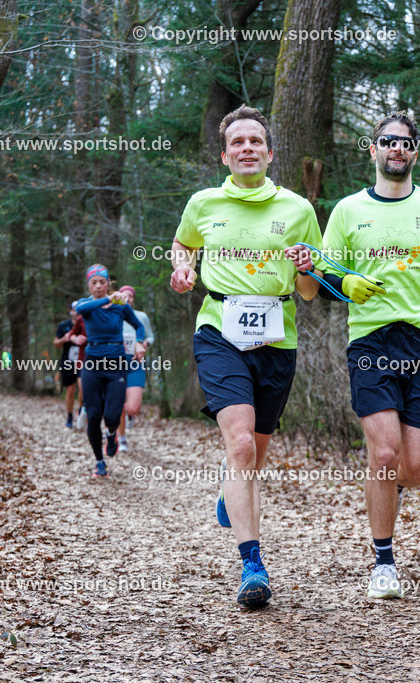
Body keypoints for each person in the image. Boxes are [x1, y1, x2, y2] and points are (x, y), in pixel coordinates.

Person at [169, 105, 323, 608]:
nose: (247, 149)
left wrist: (307, 267)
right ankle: (251, 564)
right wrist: (184, 270)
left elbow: (308, 292)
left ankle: (229, 493)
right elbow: (181, 244)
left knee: (253, 455)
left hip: (277, 339)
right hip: (219, 331)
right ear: (225, 155)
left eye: (255, 141)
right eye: (238, 143)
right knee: (239, 446)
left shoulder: (298, 209)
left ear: (270, 153)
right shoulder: (204, 203)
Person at [320, 111, 420, 599]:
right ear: (372, 150)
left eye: (406, 143)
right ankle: (383, 563)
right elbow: (324, 276)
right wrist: (345, 281)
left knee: (415, 468)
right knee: (384, 452)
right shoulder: (348, 211)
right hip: (371, 340)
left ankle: (384, 491)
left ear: (415, 152)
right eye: (387, 141)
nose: (397, 149)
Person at [74, 264, 145, 478]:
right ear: (89, 285)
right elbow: (80, 310)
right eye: (93, 282)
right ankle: (99, 462)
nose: (98, 286)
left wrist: (139, 342)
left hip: (116, 364)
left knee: (113, 416)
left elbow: (138, 325)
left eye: (102, 282)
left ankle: (112, 433)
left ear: (108, 283)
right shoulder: (86, 304)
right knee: (94, 415)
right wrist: (109, 299)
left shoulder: (121, 307)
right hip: (93, 364)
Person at [115, 285, 155, 452]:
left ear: (133, 299)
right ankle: (121, 439)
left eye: (130, 296)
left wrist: (144, 343)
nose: (127, 298)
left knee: (133, 407)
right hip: (115, 364)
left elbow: (150, 335)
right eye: (124, 295)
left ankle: (127, 414)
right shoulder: (113, 314)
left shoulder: (141, 316)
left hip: (135, 363)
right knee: (118, 403)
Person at [54, 305, 86, 428]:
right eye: (75, 310)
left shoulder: (86, 323)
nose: (77, 313)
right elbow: (56, 344)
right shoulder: (63, 326)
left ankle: (81, 410)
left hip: (83, 361)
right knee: (70, 391)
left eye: (80, 310)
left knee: (83, 388)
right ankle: (69, 416)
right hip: (68, 362)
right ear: (71, 311)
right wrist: (64, 339)